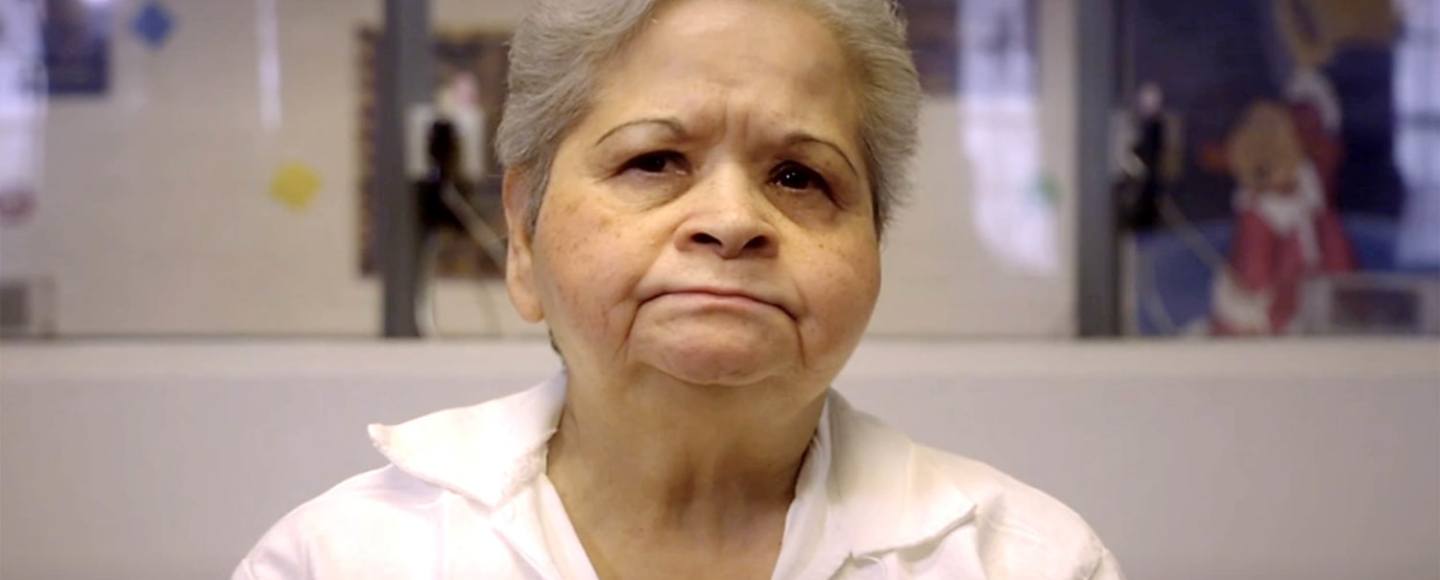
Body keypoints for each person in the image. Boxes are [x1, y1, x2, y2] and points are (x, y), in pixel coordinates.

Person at [234, 0, 1124, 577]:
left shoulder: (1028, 563)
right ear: (522, 233)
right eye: (655, 160)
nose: (732, 221)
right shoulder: (342, 558)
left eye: (800, 177)